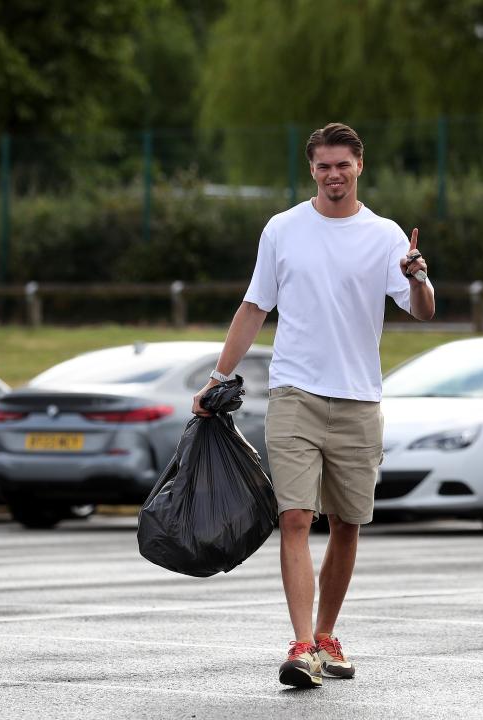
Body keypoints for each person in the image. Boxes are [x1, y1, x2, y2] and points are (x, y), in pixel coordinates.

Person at [191, 122, 435, 689]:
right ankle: (301, 646)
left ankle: (327, 635)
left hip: (358, 398)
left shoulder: (385, 236)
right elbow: (254, 307)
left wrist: (418, 277)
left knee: (347, 524)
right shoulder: (282, 230)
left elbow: (422, 310)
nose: (333, 175)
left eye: (342, 165)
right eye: (323, 166)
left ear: (359, 167)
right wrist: (217, 377)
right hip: (294, 393)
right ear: (311, 170)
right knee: (296, 516)